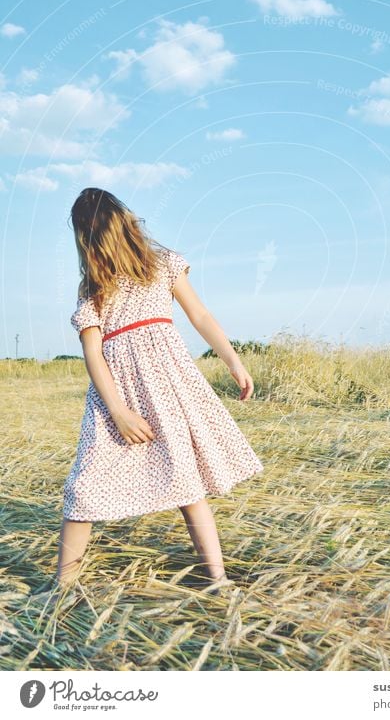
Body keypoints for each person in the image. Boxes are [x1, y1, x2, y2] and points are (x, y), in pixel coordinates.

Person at [55, 187, 264, 595]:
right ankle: (61, 588)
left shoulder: (164, 265)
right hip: (115, 395)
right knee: (83, 487)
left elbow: (200, 315)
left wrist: (234, 361)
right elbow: (93, 354)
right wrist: (117, 410)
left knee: (186, 480)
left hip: (169, 386)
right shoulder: (93, 288)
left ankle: (217, 580)